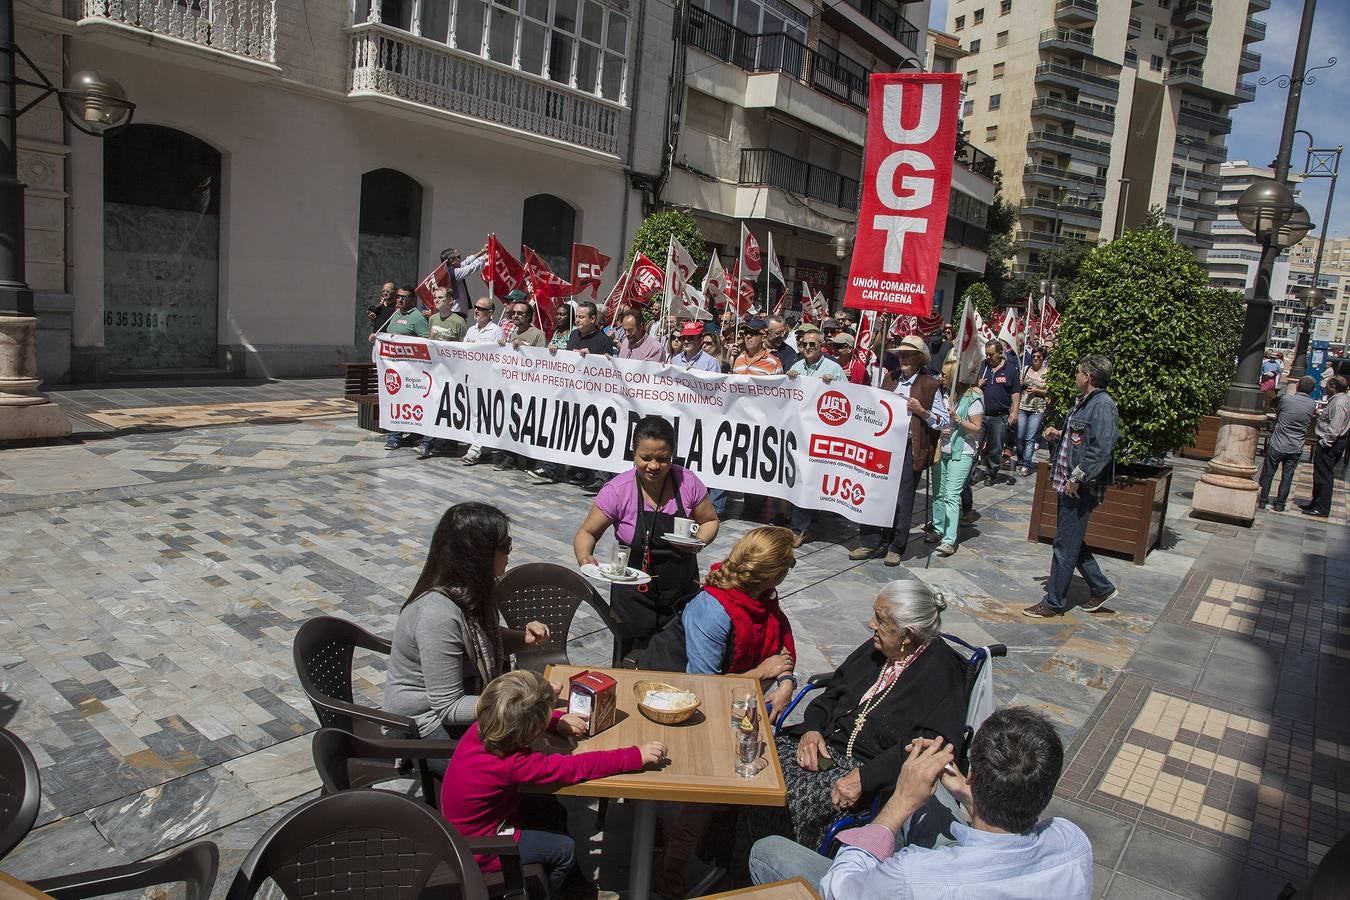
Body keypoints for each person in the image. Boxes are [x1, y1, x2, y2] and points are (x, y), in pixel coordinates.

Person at [749, 708, 1093, 898]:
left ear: (972, 773)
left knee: (767, 851)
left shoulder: (916, 876)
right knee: (936, 800)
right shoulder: (1073, 842)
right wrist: (967, 795)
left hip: (882, 887)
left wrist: (898, 805)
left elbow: (840, 889)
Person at [762, 581, 967, 851]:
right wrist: (811, 730)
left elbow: (930, 747)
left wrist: (865, 778)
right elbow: (832, 694)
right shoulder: (878, 649)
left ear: (908, 634)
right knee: (758, 768)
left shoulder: (941, 671)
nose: (871, 625)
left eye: (880, 620)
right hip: (824, 750)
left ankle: (784, 866)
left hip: (868, 771)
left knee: (794, 797)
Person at [442, 669, 667, 898]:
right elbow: (576, 767)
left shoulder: (487, 726)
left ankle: (575, 886)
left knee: (553, 810)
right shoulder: (513, 764)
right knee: (564, 850)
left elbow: (517, 716)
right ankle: (545, 892)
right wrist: (634, 756)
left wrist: (555, 721)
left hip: (473, 827)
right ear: (530, 733)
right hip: (483, 848)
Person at [383, 503, 552, 766]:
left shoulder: (471, 592)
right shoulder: (437, 615)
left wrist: (522, 638)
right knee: (517, 762)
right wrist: (519, 702)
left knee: (534, 745)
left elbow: (481, 640)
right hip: (424, 723)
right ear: (479, 554)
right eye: (505, 545)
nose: (510, 551)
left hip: (456, 706)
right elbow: (449, 707)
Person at [573, 416, 719, 648]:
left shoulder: (687, 482)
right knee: (633, 658)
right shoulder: (618, 490)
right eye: (646, 458)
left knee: (677, 658)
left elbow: (710, 520)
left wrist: (699, 541)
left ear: (672, 456)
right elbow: (587, 532)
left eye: (662, 459)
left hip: (681, 594)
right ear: (633, 452)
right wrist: (585, 557)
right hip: (632, 597)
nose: (654, 466)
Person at [641, 526, 799, 713]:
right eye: (791, 563)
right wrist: (761, 672)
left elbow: (780, 653)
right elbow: (704, 685)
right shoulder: (713, 610)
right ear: (774, 574)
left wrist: (786, 683)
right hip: (670, 694)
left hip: (723, 696)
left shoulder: (764, 598)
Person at [1024, 354, 1120, 618]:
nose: (1075, 375)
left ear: (1087, 377)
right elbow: (1083, 439)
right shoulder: (1086, 403)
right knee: (1070, 540)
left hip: (1080, 486)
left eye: (1078, 371)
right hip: (1069, 483)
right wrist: (1060, 434)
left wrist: (1077, 478)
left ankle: (1053, 602)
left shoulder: (1102, 406)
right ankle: (1101, 587)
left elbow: (1101, 449)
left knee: (1064, 545)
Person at [853, 336, 948, 565]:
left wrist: (921, 411)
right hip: (884, 445)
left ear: (919, 358)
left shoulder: (929, 384)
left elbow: (942, 421)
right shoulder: (890, 378)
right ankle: (871, 540)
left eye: (908, 354)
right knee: (874, 490)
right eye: (900, 354)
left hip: (908, 446)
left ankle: (896, 545)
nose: (903, 358)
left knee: (903, 498)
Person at [785, 325, 846, 545]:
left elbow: (848, 399)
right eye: (805, 344)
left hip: (823, 433)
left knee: (812, 478)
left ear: (822, 346)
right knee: (800, 477)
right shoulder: (797, 366)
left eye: (813, 344)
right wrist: (788, 379)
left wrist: (834, 386)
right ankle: (798, 526)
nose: (808, 348)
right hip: (800, 432)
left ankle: (805, 524)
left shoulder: (834, 369)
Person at [931, 354, 983, 557]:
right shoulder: (941, 395)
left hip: (961, 452)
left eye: (944, 374)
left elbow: (976, 427)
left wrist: (958, 419)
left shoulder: (972, 398)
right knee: (939, 493)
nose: (940, 377)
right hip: (941, 449)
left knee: (952, 494)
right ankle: (938, 528)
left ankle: (949, 540)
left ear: (953, 377)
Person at [460, 298, 508, 467]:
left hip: (488, 381)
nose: (477, 311)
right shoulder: (471, 330)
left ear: (490, 313)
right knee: (474, 413)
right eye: (476, 307)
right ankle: (483, 446)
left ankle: (476, 449)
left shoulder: (496, 331)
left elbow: (500, 355)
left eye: (482, 308)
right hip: (472, 378)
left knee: (483, 414)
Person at [1257, 375, 1317, 511]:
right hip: (1296, 445)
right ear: (1312, 390)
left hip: (1278, 442)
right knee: (1287, 476)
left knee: (1268, 473)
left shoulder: (1286, 399)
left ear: (1297, 386)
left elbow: (1279, 414)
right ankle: (1280, 504)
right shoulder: (1311, 404)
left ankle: (1262, 500)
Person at [1301, 374, 1350, 518]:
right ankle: (1315, 502)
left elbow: (1335, 427)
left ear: (1333, 386)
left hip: (1330, 443)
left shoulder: (1340, 403)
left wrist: (1325, 442)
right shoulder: (1339, 400)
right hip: (1330, 441)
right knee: (1319, 474)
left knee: (1324, 475)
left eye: (1327, 384)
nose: (1325, 387)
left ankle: (1322, 507)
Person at [975, 340, 1021, 486]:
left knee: (995, 447)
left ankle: (991, 473)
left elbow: (1015, 393)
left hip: (999, 416)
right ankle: (969, 472)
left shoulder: (1011, 370)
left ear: (1000, 354)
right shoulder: (982, 367)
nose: (988, 357)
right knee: (975, 445)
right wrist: (977, 384)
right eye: (986, 354)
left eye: (991, 354)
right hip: (979, 414)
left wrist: (1014, 412)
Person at [1016, 347, 1049, 477]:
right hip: (1023, 407)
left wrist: (1037, 391)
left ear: (1043, 359)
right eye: (1034, 356)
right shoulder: (1024, 370)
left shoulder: (1047, 373)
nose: (1035, 359)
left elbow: (1050, 390)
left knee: (1030, 438)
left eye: (1039, 357)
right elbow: (1016, 387)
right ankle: (1020, 458)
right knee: (1020, 437)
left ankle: (1026, 464)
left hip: (1037, 409)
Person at [440, 245, 490, 316]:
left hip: (456, 313)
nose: (460, 259)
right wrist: (484, 258)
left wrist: (482, 251)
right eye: (458, 257)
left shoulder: (451, 270)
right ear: (452, 261)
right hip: (455, 313)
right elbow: (471, 268)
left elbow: (467, 261)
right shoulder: (454, 273)